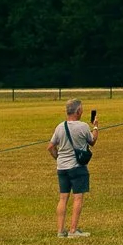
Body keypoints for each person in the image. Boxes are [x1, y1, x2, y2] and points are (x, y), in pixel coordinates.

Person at [50, 98, 98, 236]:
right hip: (77, 167)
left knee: (63, 198)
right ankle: (73, 230)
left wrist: (58, 158)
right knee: (78, 198)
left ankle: (60, 231)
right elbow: (92, 141)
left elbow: (50, 147)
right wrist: (95, 126)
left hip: (62, 168)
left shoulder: (60, 127)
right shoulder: (82, 126)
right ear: (78, 111)